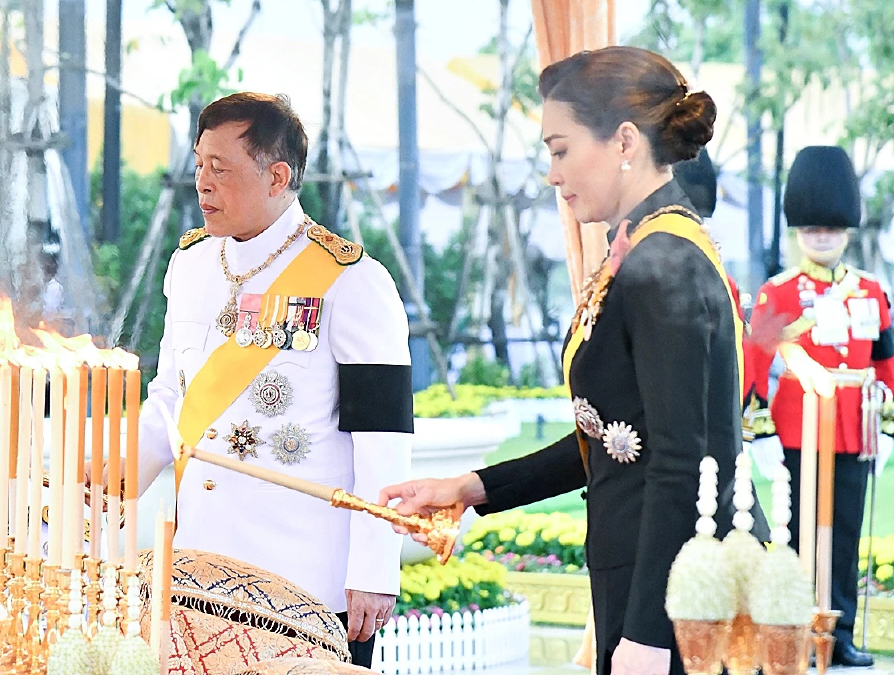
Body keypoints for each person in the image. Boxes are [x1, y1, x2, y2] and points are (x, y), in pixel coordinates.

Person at [378, 46, 767, 675]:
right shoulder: (643, 249)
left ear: (623, 141)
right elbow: (618, 436)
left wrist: (647, 638)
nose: (553, 174)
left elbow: (682, 462)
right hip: (646, 572)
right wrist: (472, 489)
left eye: (560, 150)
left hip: (675, 597)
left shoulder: (664, 264)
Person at [134, 92, 412, 666]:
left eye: (222, 169)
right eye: (198, 165)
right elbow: (172, 397)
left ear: (277, 176)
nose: (202, 183)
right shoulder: (190, 263)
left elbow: (383, 439)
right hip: (200, 565)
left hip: (304, 577)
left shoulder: (351, 280)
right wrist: (104, 481)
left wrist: (374, 568)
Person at [747, 146, 892, 668]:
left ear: (846, 229)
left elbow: (886, 363)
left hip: (855, 430)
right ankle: (799, 633)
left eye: (830, 228)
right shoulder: (778, 294)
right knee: (799, 536)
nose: (822, 236)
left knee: (846, 536)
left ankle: (842, 633)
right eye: (812, 229)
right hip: (795, 429)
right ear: (798, 232)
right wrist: (756, 430)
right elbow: (753, 366)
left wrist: (888, 423)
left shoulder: (873, 293)